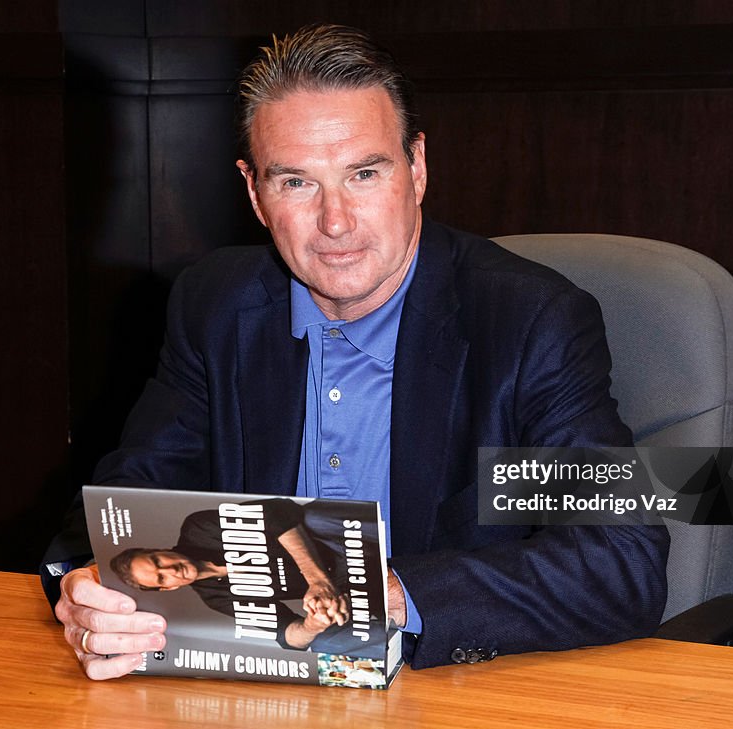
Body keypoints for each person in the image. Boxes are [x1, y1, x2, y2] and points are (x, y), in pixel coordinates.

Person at [45, 23, 669, 680]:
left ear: (417, 167)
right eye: (296, 183)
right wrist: (89, 586)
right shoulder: (217, 308)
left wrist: (385, 593)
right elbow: (119, 503)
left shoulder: (526, 324)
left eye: (363, 173)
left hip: (451, 695)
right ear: (255, 192)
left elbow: (620, 556)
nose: (335, 221)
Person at [107, 498, 387, 655]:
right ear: (167, 590)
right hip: (351, 591)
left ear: (159, 549)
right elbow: (287, 636)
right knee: (321, 642)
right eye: (160, 579)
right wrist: (314, 623)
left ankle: (396, 523)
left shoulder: (197, 528)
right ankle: (399, 636)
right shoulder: (215, 598)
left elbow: (279, 512)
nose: (169, 571)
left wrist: (316, 580)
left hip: (338, 537)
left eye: (158, 561)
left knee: (310, 514)